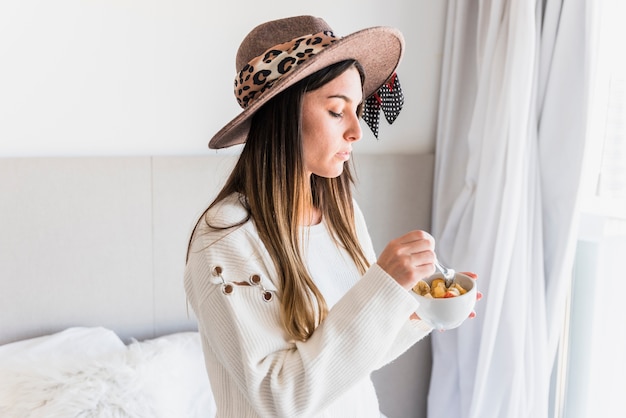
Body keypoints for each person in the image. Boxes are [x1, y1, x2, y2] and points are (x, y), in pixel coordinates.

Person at [184, 15, 474, 417]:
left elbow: (348, 360)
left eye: (357, 109)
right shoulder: (225, 238)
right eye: (338, 111)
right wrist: (383, 282)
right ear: (282, 116)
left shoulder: (341, 213)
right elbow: (278, 398)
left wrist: (427, 309)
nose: (357, 130)